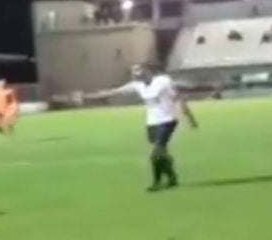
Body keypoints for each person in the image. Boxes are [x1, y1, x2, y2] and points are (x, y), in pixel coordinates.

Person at [84, 64, 198, 192]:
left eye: (138, 69)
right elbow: (112, 92)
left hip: (168, 120)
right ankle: (172, 178)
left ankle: (157, 182)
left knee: (156, 151)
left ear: (147, 70)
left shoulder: (163, 81)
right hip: (152, 123)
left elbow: (179, 98)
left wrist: (190, 117)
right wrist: (86, 97)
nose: (136, 73)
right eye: (133, 71)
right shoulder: (137, 85)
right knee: (161, 152)